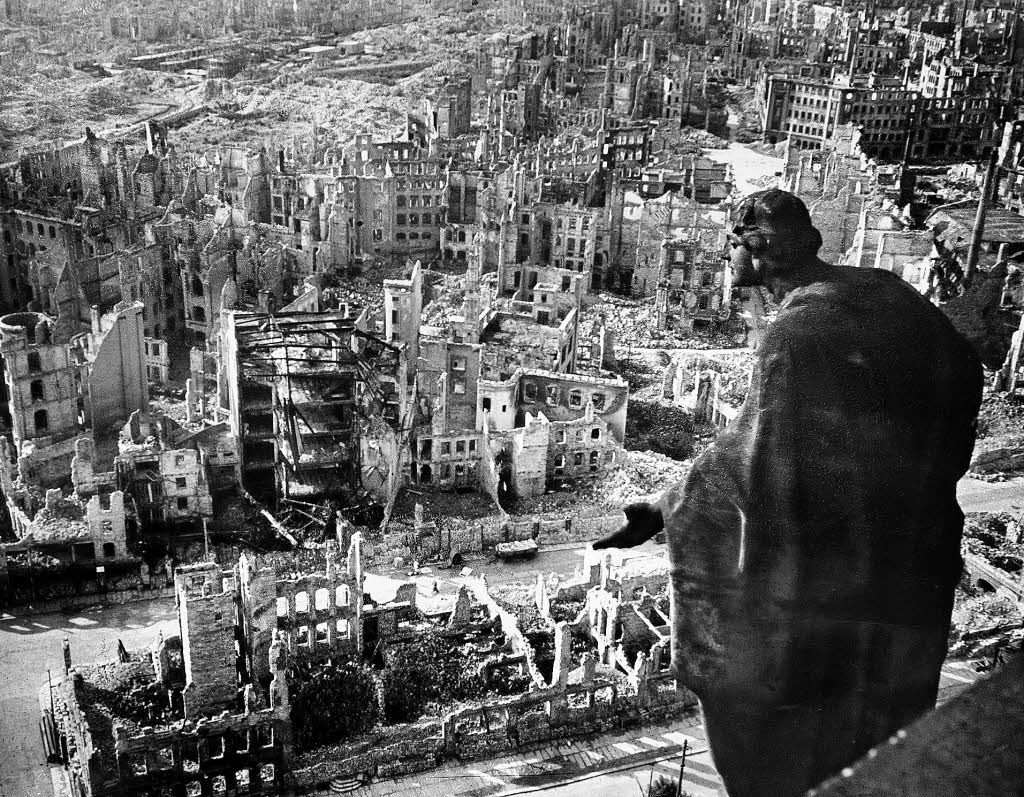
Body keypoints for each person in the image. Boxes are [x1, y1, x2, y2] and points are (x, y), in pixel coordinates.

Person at [593, 189, 983, 797]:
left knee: (788, 739)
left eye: (731, 243)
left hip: (835, 581)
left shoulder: (796, 335)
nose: (725, 256)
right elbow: (961, 366)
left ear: (761, 250)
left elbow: (754, 463)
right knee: (882, 740)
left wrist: (665, 509)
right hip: (906, 562)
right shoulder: (884, 290)